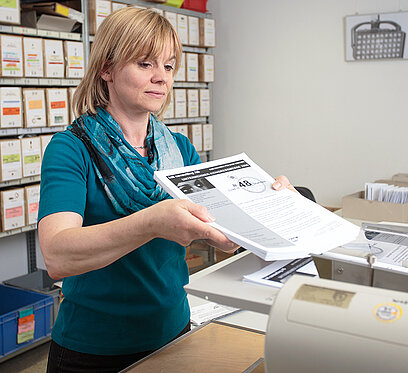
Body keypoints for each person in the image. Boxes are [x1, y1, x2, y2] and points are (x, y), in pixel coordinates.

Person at [38, 7, 296, 373]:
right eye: (145, 64)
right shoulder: (72, 148)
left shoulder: (179, 148)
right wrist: (151, 223)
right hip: (92, 349)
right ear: (106, 69)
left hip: (173, 332)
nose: (161, 77)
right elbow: (57, 256)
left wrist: (271, 205)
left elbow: (225, 237)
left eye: (169, 66)